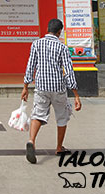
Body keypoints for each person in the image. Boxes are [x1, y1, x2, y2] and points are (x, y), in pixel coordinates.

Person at [21, 18, 81, 164]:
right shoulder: (62, 47)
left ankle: (31, 141)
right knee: (62, 117)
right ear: (59, 31)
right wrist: (76, 95)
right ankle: (59, 147)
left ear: (48, 29)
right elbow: (68, 71)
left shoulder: (36, 44)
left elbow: (31, 65)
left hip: (41, 87)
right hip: (58, 88)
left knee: (38, 114)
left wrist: (25, 87)